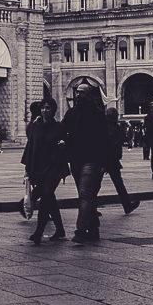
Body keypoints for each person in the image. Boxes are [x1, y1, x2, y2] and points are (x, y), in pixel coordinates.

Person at [62, 84, 119, 244]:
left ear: (89, 95)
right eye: (77, 92)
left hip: (92, 160)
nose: (78, 95)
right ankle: (94, 230)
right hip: (75, 160)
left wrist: (105, 162)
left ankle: (81, 230)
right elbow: (61, 128)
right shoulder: (72, 113)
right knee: (85, 194)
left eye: (81, 92)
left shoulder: (97, 113)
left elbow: (104, 139)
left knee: (85, 193)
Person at [22, 101, 70, 245]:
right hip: (40, 168)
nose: (44, 110)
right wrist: (28, 168)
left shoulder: (59, 127)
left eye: (48, 108)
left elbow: (67, 145)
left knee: (46, 195)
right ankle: (60, 229)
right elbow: (30, 147)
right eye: (43, 108)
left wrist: (63, 145)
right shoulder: (34, 126)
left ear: (53, 110)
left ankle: (38, 232)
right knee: (50, 198)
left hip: (55, 168)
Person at [101, 108, 139, 215]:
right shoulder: (114, 128)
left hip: (102, 159)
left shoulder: (102, 126)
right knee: (119, 184)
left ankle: (91, 207)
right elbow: (115, 145)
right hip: (111, 160)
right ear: (115, 116)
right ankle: (127, 205)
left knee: (96, 184)